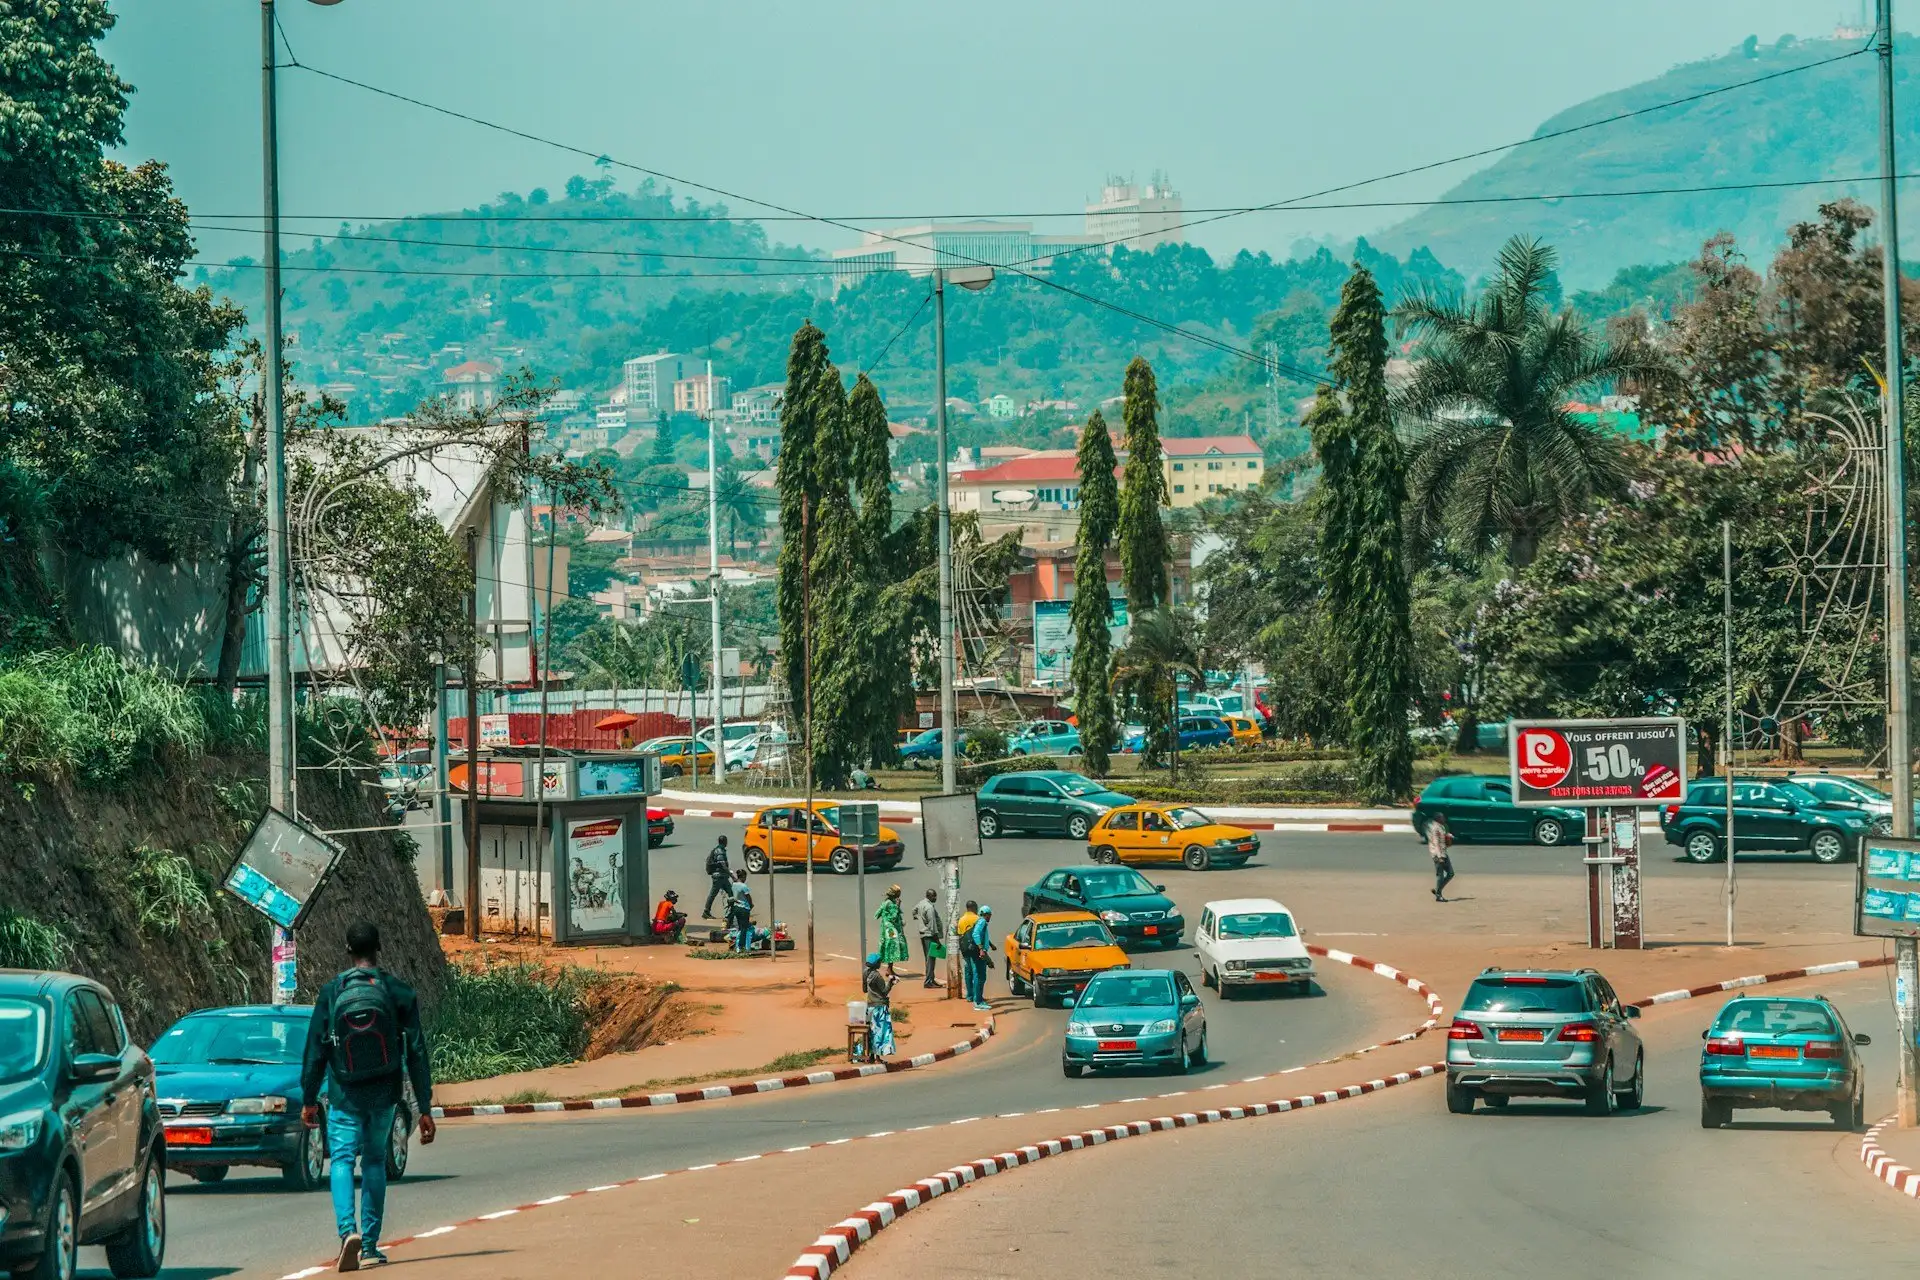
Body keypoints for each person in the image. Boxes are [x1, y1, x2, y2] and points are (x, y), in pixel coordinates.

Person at [300, 922, 435, 1272]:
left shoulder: (332, 992)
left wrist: (309, 1098)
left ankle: (348, 1232)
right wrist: (424, 1107)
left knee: (342, 1160)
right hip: (385, 1093)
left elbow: (315, 1049)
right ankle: (371, 1246)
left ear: (348, 950)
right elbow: (417, 1051)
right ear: (379, 949)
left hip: (344, 1094)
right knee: (374, 1161)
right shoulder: (398, 992)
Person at [863, 953, 897, 1058]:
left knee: (872, 1031)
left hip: (870, 1007)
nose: (880, 964)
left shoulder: (865, 973)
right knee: (881, 1033)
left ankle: (871, 1056)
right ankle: (878, 1057)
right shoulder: (877, 976)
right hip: (880, 1007)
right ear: (876, 963)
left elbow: (864, 989)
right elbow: (884, 992)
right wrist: (891, 982)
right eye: (879, 962)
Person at [875, 884, 909, 980]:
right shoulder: (890, 904)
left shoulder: (888, 902)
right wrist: (897, 906)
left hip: (890, 928)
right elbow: (893, 917)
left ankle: (890, 968)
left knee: (891, 946)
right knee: (892, 946)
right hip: (890, 930)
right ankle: (889, 969)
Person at [965, 905, 996, 1011]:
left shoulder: (981, 922)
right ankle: (978, 1002)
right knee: (980, 976)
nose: (990, 917)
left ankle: (978, 999)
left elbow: (983, 935)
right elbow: (976, 934)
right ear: (986, 914)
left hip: (979, 951)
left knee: (980, 976)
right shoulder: (982, 921)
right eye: (989, 915)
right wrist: (981, 949)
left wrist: (990, 945)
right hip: (979, 953)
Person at [911, 888, 943, 988]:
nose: (936, 898)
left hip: (923, 934)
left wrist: (920, 919)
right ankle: (928, 981)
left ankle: (931, 979)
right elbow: (932, 926)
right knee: (930, 959)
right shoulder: (929, 908)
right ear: (929, 896)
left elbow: (914, 910)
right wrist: (937, 941)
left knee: (928, 958)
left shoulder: (921, 903)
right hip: (930, 936)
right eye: (934, 896)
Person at [702, 836, 733, 919]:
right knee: (713, 894)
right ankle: (706, 911)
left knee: (731, 892)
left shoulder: (720, 849)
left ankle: (732, 910)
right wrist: (732, 875)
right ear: (724, 841)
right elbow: (722, 864)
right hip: (719, 876)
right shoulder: (719, 851)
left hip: (722, 876)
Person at [1429, 818, 1456, 902]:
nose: (1443, 818)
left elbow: (1443, 836)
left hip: (1443, 853)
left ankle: (1437, 890)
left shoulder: (1442, 827)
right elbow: (1436, 843)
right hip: (1438, 855)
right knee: (1440, 876)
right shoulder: (1435, 829)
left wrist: (1448, 836)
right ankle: (1438, 895)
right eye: (1442, 817)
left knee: (1451, 873)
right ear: (1438, 819)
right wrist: (1440, 857)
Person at [728, 869, 755, 948]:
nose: (745, 879)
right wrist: (751, 905)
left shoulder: (734, 884)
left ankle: (738, 945)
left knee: (740, 927)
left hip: (736, 907)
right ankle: (741, 946)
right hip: (744, 908)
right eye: (745, 877)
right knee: (744, 928)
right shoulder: (744, 886)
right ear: (743, 877)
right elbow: (748, 897)